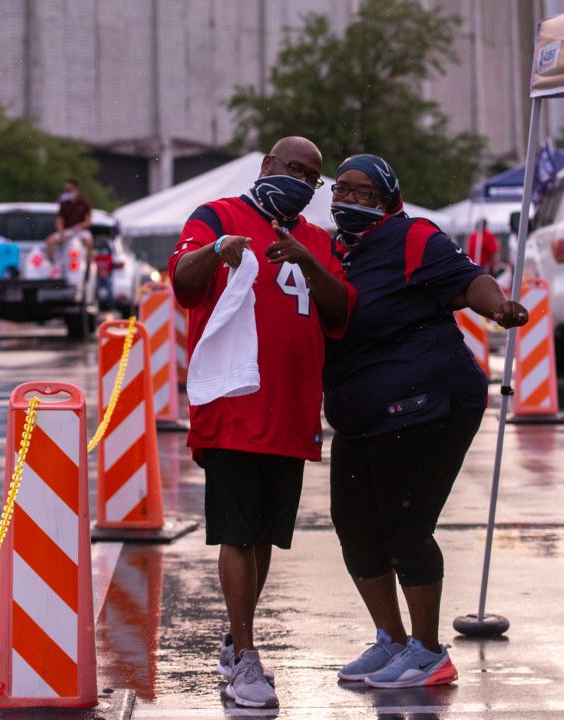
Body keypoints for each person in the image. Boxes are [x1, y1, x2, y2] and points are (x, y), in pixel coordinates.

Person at [322, 154, 528, 689]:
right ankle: (391, 640)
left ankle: (430, 651)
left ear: (389, 199)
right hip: (359, 408)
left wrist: (499, 307)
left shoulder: (414, 237)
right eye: (341, 188)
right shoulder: (332, 250)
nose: (349, 199)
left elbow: (469, 282)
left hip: (427, 398)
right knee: (353, 525)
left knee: (405, 525)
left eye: (364, 192)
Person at [167, 136, 355, 709]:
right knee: (238, 531)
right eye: (292, 169)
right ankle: (246, 656)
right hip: (234, 404)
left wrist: (304, 257)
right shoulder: (218, 215)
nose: (300, 181)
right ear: (268, 166)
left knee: (266, 535)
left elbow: (341, 307)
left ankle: (236, 635)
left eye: (312, 177)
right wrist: (218, 250)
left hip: (293, 408)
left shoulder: (319, 238)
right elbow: (182, 278)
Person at [45, 179, 93, 261]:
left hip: (80, 231)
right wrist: (61, 233)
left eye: (70, 189)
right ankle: (52, 264)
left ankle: (88, 266)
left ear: (77, 189)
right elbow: (59, 220)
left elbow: (88, 221)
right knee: (50, 241)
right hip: (68, 231)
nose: (68, 192)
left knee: (89, 242)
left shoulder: (84, 204)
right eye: (66, 190)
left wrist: (80, 226)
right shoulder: (64, 204)